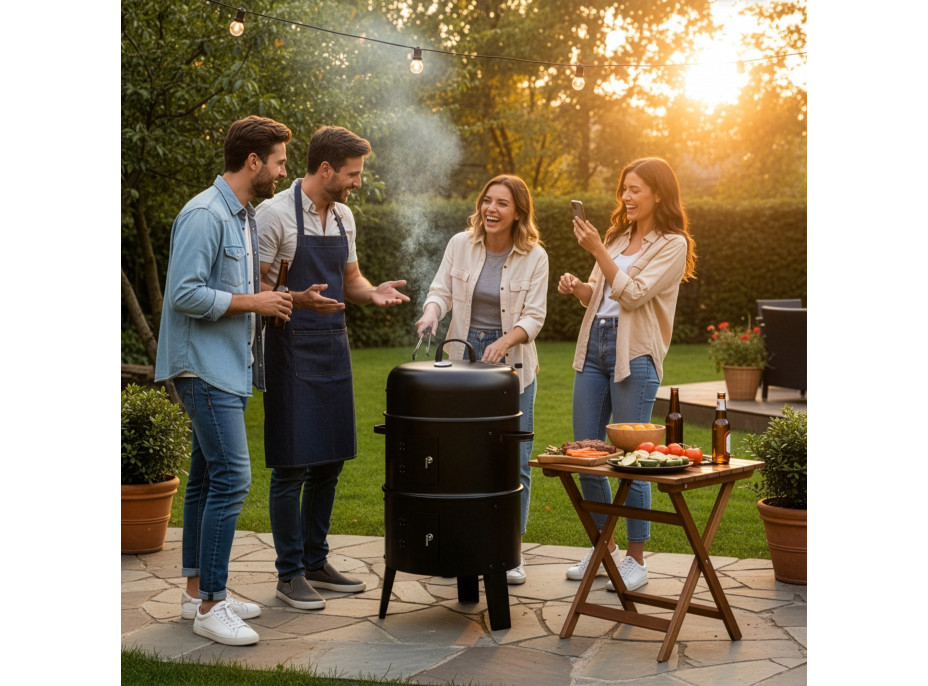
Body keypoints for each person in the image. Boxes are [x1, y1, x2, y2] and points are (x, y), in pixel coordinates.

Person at [154, 115, 295, 645]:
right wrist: (254, 301)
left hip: (227, 366)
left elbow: (234, 289)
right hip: (203, 368)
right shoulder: (205, 215)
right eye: (279, 161)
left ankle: (197, 592)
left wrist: (276, 301)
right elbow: (183, 294)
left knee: (207, 480)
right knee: (233, 478)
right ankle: (213, 603)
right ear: (254, 161)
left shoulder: (243, 215)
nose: (284, 170)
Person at [256, 125, 409, 610]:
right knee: (291, 464)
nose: (357, 183)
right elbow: (256, 291)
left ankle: (316, 560)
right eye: (352, 173)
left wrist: (371, 292)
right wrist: (296, 301)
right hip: (289, 347)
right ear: (326, 170)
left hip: (333, 347)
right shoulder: (273, 214)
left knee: (331, 460)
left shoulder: (344, 217)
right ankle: (288, 573)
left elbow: (351, 279)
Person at [557, 157, 696, 592]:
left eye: (636, 189)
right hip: (595, 344)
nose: (627, 197)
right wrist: (580, 288)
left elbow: (633, 295)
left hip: (634, 353)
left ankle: (636, 559)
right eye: (625, 188)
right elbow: (604, 293)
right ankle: (606, 549)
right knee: (588, 455)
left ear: (659, 193)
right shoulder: (617, 236)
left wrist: (598, 250)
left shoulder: (673, 244)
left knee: (633, 462)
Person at [415, 174, 548, 585]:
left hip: (514, 367)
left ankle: (511, 550)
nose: (492, 209)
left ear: (518, 212)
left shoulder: (534, 256)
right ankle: (464, 543)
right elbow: (441, 290)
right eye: (487, 200)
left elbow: (535, 315)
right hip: (464, 357)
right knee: (462, 457)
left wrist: (505, 340)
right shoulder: (461, 244)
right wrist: (432, 312)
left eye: (502, 203)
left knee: (514, 461)